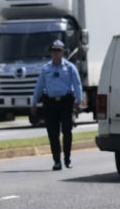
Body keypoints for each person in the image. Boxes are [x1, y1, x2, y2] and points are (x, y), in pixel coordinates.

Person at [32, 39, 83, 171]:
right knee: (53, 133)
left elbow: (77, 84)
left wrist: (79, 101)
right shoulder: (45, 69)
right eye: (53, 51)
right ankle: (57, 161)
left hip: (66, 102)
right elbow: (39, 86)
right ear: (50, 53)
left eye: (58, 51)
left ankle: (67, 159)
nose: (55, 53)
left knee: (67, 131)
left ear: (63, 52)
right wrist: (33, 103)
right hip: (50, 104)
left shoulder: (70, 67)